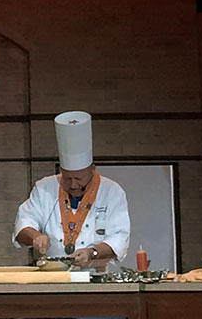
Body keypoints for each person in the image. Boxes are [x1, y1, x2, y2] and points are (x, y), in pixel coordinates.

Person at [13, 111, 130, 270]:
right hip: (52, 275)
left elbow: (119, 236)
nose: (73, 185)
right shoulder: (44, 188)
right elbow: (24, 222)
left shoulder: (112, 191)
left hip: (95, 275)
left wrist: (92, 252)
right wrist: (36, 236)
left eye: (79, 179)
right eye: (67, 178)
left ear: (92, 169)